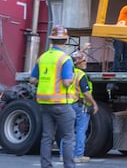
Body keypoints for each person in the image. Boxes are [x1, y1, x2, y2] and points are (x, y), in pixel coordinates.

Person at [29, 25, 77, 168]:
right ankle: (69, 166)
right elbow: (67, 82)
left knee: (46, 137)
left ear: (52, 40)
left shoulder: (42, 58)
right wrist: (73, 77)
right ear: (66, 40)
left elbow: (32, 79)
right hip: (61, 103)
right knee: (68, 137)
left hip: (44, 102)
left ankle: (46, 165)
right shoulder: (65, 59)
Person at [60, 47, 99, 163]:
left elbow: (72, 57)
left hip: (67, 104)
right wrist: (94, 104)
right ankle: (78, 155)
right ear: (78, 63)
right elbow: (86, 93)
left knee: (67, 131)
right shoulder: (81, 75)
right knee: (81, 131)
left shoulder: (68, 74)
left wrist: (83, 49)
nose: (86, 63)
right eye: (84, 61)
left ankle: (63, 155)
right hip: (79, 105)